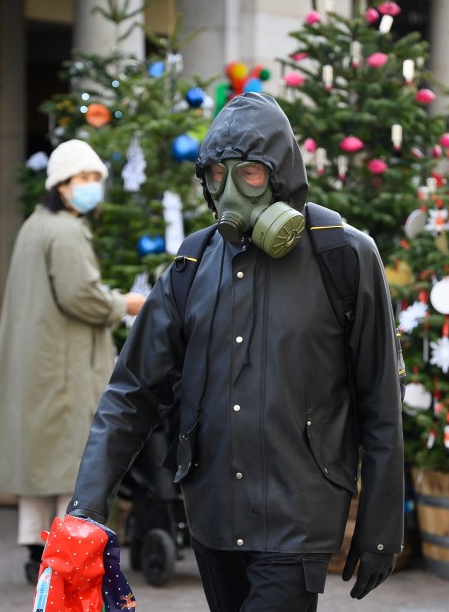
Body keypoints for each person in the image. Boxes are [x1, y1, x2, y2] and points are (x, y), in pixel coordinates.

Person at [61, 93, 405, 612]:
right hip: (213, 519)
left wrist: (380, 527)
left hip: (298, 519)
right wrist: (87, 505)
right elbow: (131, 393)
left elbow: (380, 399)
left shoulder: (345, 256)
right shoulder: (192, 265)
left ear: (281, 172)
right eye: (217, 174)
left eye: (248, 173)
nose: (228, 191)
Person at [0, 139, 145, 583]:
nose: (91, 187)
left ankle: (35, 548)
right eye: (83, 178)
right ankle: (66, 553)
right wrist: (124, 303)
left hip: (39, 357)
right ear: (61, 184)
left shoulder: (35, 224)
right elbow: (80, 297)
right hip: (63, 361)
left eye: (95, 179)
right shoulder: (65, 231)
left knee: (39, 461)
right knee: (72, 457)